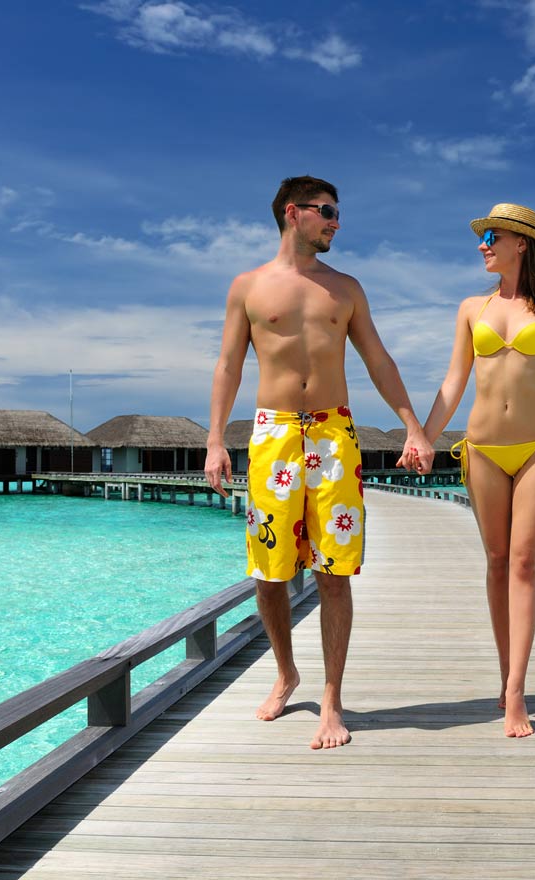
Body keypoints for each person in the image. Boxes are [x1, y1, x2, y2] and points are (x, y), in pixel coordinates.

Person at [204, 176, 433, 749]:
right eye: (326, 211)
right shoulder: (248, 287)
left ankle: (331, 698)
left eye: (337, 213)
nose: (335, 221)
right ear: (293, 213)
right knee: (270, 571)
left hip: (334, 436)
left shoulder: (346, 289)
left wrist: (412, 425)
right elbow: (229, 366)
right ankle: (286, 672)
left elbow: (377, 359)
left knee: (334, 571)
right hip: (272, 435)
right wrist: (213, 440)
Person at [401, 203, 535, 737]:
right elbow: (454, 382)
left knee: (525, 563)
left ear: (520, 243)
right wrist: (423, 438)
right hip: (480, 448)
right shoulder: (469, 308)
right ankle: (504, 679)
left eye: (492, 236)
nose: (483, 245)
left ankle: (518, 690)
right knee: (498, 562)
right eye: (483, 237)